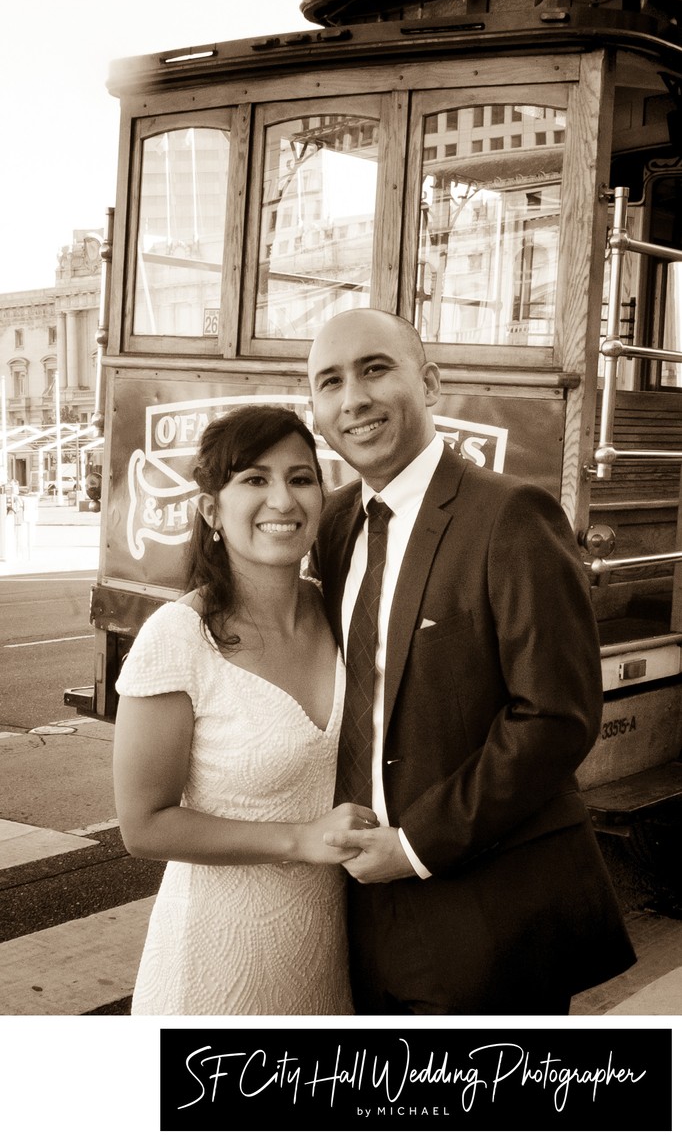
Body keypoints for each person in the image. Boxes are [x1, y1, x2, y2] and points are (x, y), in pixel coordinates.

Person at [307, 307, 636, 1016]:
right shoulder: (333, 525)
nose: (353, 398)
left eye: (375, 369)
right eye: (329, 382)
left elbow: (556, 716)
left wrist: (416, 845)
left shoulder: (512, 514)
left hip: (489, 915)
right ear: (317, 412)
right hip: (358, 913)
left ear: (429, 383)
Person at [113, 404, 376, 1015]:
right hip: (214, 957)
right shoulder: (178, 638)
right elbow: (144, 826)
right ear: (211, 511)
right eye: (254, 480)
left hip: (322, 949)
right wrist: (300, 840)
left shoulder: (337, 613)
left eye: (301, 478)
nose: (283, 500)